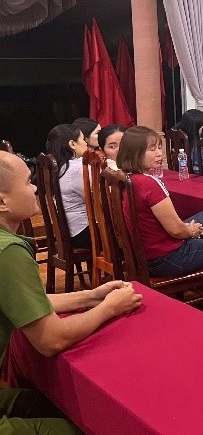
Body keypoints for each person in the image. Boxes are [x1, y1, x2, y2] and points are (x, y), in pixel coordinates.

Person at [0, 150, 141, 434]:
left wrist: (93, 296)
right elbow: (51, 340)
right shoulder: (8, 252)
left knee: (70, 406)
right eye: (28, 182)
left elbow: (28, 302)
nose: (35, 188)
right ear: (3, 202)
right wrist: (110, 308)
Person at [116, 126, 203, 325]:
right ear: (135, 153)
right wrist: (190, 231)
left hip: (151, 249)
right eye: (152, 149)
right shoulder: (149, 183)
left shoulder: (129, 178)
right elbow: (176, 230)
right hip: (165, 258)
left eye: (159, 147)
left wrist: (189, 230)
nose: (159, 153)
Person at [45, 124, 91, 248]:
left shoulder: (60, 166)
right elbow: (97, 199)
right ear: (72, 144)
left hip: (69, 231)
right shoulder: (76, 168)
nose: (86, 143)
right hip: (82, 231)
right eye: (82, 139)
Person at [174, 109, 203, 174]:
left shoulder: (179, 138)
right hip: (196, 176)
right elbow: (197, 169)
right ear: (196, 127)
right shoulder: (196, 145)